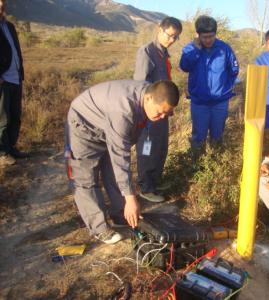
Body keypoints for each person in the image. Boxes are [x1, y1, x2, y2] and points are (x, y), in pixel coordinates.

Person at [66, 80, 180, 244]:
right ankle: (99, 228)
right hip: (84, 125)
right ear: (148, 99)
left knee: (113, 171)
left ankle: (121, 213)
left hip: (108, 126)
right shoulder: (123, 111)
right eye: (160, 112)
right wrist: (131, 198)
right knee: (85, 178)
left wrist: (128, 200)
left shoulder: (150, 94)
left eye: (167, 114)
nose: (162, 118)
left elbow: (119, 157)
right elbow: (120, 155)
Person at [133, 17, 182, 203]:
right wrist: (147, 113)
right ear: (159, 29)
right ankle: (145, 187)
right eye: (169, 35)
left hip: (162, 111)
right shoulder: (147, 52)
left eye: (175, 38)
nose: (171, 40)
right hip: (149, 113)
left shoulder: (163, 53)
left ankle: (155, 181)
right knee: (147, 148)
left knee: (160, 147)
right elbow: (140, 85)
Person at [180, 15, 239, 148]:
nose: (208, 40)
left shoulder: (225, 49)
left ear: (215, 34)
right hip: (199, 102)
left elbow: (234, 70)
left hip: (220, 102)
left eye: (211, 36)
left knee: (217, 137)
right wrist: (196, 49)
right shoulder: (190, 49)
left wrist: (226, 88)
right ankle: (197, 164)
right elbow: (184, 66)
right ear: (198, 35)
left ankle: (216, 162)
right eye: (204, 37)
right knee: (198, 138)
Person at [0, 0, 27, 167]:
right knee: (2, 118)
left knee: (15, 116)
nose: (1, 6)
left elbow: (15, 50)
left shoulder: (9, 26)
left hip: (15, 78)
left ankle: (11, 148)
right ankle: (2, 153)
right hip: (3, 80)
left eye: (3, 4)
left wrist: (20, 72)